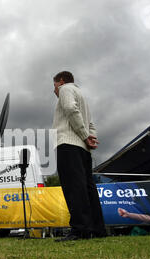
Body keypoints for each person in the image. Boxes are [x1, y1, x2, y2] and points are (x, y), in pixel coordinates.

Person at [52, 71, 106, 241]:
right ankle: (97, 229)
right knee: (88, 189)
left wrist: (84, 136)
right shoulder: (82, 95)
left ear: (60, 81)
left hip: (69, 144)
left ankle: (80, 229)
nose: (54, 89)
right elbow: (90, 123)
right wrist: (90, 139)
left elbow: (69, 108)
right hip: (83, 149)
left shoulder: (65, 89)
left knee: (73, 188)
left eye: (54, 85)